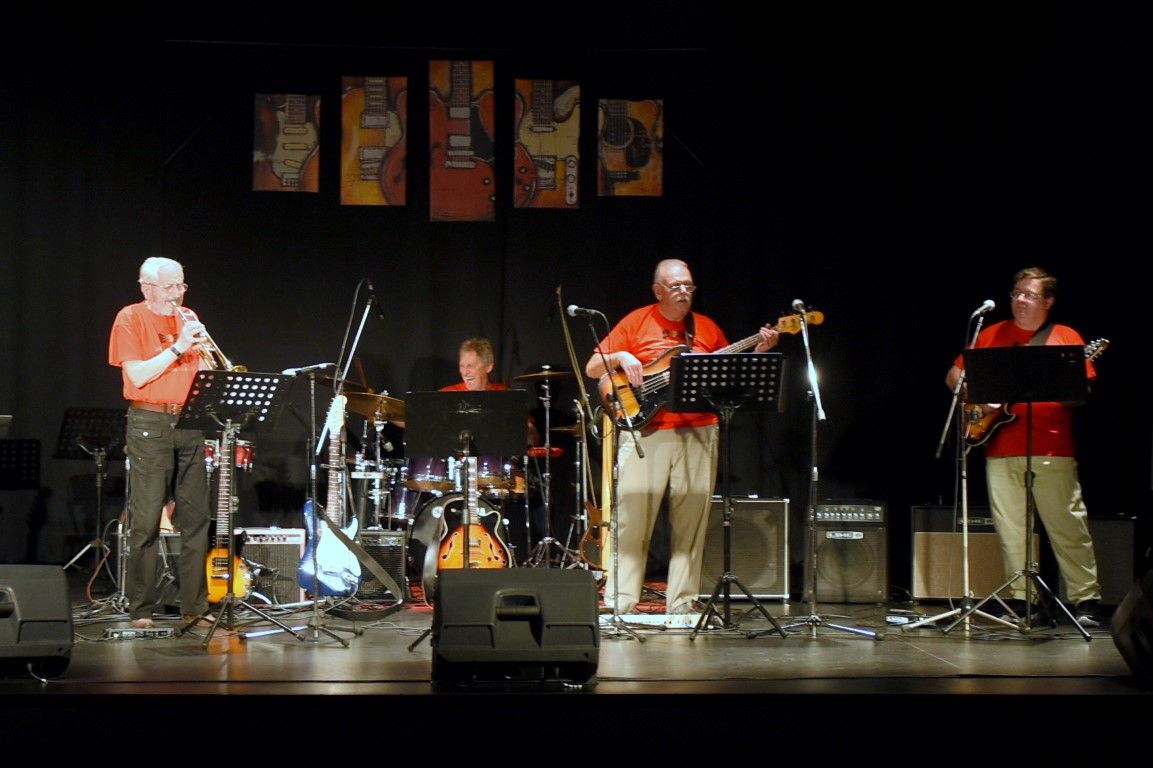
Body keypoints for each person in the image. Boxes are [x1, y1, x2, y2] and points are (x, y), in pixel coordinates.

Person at [583, 259, 779, 615]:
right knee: (632, 520)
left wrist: (758, 352)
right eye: (675, 286)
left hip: (699, 430)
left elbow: (730, 375)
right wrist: (621, 356)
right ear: (658, 290)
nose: (684, 292)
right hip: (647, 430)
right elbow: (593, 368)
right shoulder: (636, 321)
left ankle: (682, 603)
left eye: (688, 286)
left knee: (692, 522)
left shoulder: (706, 327)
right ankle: (620, 601)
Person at [945, 266, 1103, 627]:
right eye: (1017, 293)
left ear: (1048, 301)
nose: (1020, 300)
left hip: (1051, 447)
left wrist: (1065, 383)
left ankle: (1086, 599)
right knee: (1011, 529)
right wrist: (978, 401)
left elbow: (1080, 395)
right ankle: (1022, 599)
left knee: (1066, 524)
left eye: (1029, 295)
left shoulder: (1065, 337)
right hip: (1000, 446)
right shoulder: (991, 334)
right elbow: (954, 374)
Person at [108, 256, 213, 629]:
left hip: (190, 420)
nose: (177, 294)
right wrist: (178, 347)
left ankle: (195, 607)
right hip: (150, 421)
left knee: (197, 518)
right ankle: (141, 609)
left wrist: (205, 358)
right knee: (148, 519)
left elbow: (202, 370)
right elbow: (137, 374)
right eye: (169, 286)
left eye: (181, 285)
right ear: (147, 286)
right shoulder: (130, 317)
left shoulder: (188, 316)